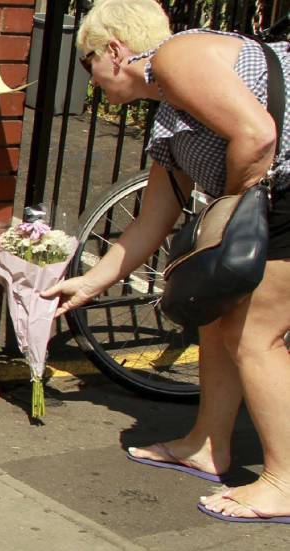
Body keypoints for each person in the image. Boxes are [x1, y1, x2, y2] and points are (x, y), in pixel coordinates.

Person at [43, 0, 290, 522]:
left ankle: (283, 481)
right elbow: (151, 219)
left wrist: (229, 212)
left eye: (89, 66)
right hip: (274, 192)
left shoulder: (177, 59)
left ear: (114, 51)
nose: (91, 83)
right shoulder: (169, 117)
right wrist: (90, 282)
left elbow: (259, 134)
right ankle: (207, 444)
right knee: (217, 314)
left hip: (282, 189)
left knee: (254, 332)